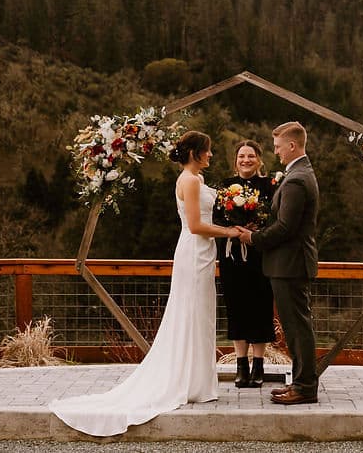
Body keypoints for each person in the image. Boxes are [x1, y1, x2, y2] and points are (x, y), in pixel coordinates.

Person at [50, 131, 242, 436]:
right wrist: (230, 232)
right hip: (194, 252)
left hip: (203, 254)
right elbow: (194, 226)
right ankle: (188, 381)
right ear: (195, 152)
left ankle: (198, 381)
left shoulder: (197, 180)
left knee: (201, 315)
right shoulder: (190, 181)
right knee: (192, 313)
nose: (212, 155)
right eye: (208, 151)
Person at [238, 121, 320, 405]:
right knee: (295, 326)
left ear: (292, 146)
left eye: (277, 147)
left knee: (297, 327)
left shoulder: (297, 179)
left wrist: (253, 238)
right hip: (289, 264)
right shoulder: (298, 173)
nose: (276, 152)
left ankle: (305, 387)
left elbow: (286, 227)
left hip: (291, 264)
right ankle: (300, 383)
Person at [212, 140, 276, 388]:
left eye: (251, 156)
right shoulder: (226, 186)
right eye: (241, 156)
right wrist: (234, 229)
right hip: (232, 256)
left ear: (259, 159)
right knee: (236, 306)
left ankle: (259, 365)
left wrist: (255, 231)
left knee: (260, 306)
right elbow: (217, 217)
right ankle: (240, 365)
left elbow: (273, 215)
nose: (246, 160)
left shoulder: (270, 185)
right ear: (235, 160)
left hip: (259, 255)